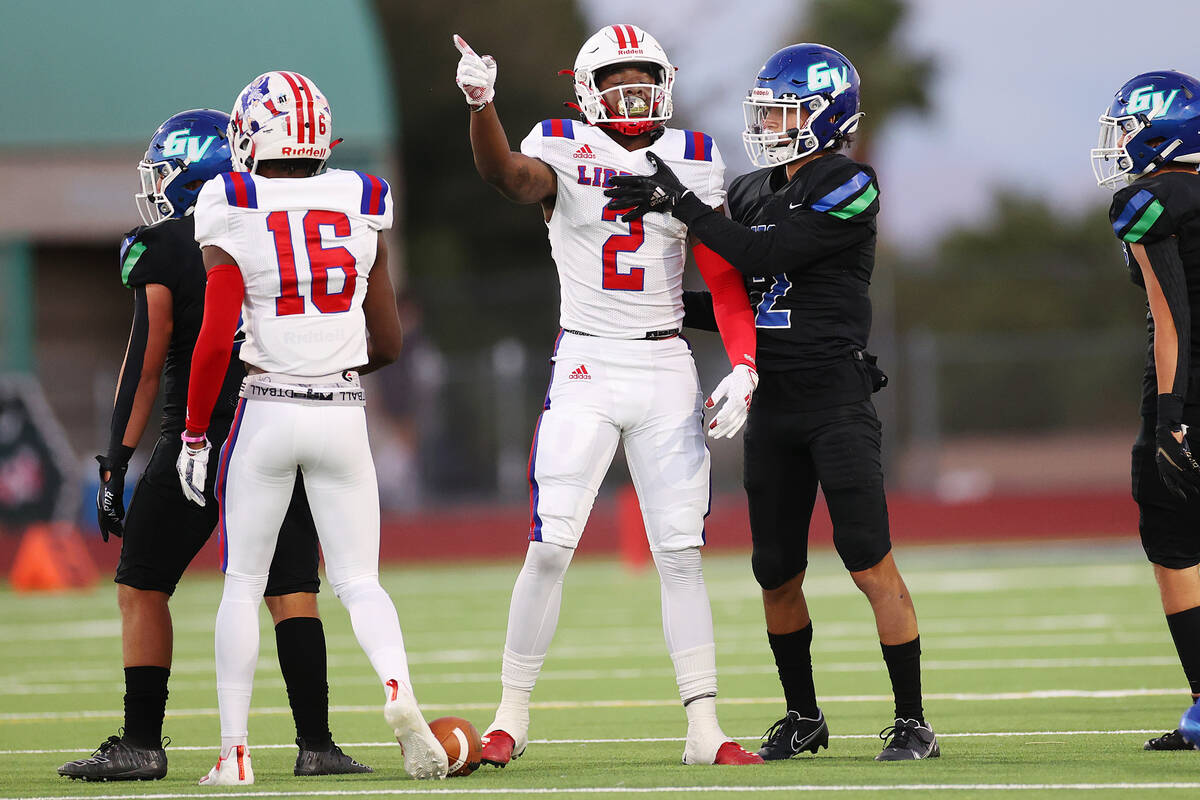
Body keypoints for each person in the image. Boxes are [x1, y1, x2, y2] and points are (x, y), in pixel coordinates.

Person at [605, 43, 938, 761]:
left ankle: (912, 720)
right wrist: (638, 310)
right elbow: (733, 291)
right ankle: (803, 716)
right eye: (767, 111)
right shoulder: (753, 189)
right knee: (775, 568)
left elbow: (761, 257)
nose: (771, 123)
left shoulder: (850, 182)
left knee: (866, 559)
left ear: (827, 116)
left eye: (785, 110)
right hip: (773, 403)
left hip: (834, 397)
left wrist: (682, 202)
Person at [453, 25, 763, 768]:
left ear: (666, 83)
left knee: (681, 556)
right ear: (587, 90)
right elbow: (507, 177)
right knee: (551, 545)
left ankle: (704, 728)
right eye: (616, 82)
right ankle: (511, 716)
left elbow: (721, 271)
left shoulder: (695, 154)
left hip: (665, 365)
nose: (632, 94)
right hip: (588, 362)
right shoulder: (561, 141)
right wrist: (481, 105)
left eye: (643, 80)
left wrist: (746, 362)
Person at [57, 109, 370, 782]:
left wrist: (115, 461)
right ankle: (317, 743)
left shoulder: (166, 242)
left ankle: (143, 741)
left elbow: (146, 360)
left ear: (193, 170)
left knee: (141, 584)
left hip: (199, 437)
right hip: (275, 423)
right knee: (291, 590)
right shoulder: (270, 224)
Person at [176, 71, 447, 784]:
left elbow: (214, 336)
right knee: (361, 582)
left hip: (267, 407)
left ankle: (235, 754)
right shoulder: (362, 196)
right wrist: (335, 361)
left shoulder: (230, 198)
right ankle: (399, 693)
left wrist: (195, 434)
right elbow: (386, 339)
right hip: (343, 411)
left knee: (241, 583)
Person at [1092, 69, 1200, 751]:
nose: (1122, 142)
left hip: (1185, 383)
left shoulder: (1151, 200)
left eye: (1130, 126)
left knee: (1174, 538)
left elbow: (1171, 316)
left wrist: (1170, 413)